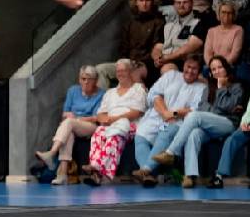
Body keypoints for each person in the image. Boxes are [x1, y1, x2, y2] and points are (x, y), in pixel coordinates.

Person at [144, 56, 239, 188]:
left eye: (220, 67)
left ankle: (171, 153)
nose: (217, 71)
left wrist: (221, 88)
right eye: (213, 69)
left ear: (226, 69)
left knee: (193, 116)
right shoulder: (207, 89)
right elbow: (204, 107)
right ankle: (190, 176)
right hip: (208, 126)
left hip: (228, 124)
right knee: (193, 133)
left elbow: (228, 106)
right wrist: (214, 111)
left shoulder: (236, 87)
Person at [130, 55, 211, 187]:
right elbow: (154, 94)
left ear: (199, 71)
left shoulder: (201, 88)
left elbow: (193, 110)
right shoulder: (171, 76)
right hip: (157, 115)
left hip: (179, 122)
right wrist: (164, 112)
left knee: (167, 133)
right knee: (141, 136)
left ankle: (146, 170)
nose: (190, 71)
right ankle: (149, 176)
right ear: (183, 66)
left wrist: (173, 114)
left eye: (194, 69)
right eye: (188, 67)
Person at [33, 66, 105, 186]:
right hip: (72, 125)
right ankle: (62, 175)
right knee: (69, 133)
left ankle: (51, 153)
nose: (86, 82)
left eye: (90, 79)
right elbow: (65, 113)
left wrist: (75, 118)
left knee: (69, 123)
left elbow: (96, 117)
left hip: (91, 126)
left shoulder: (102, 94)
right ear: (79, 79)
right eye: (83, 79)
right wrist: (69, 117)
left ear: (96, 80)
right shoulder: (73, 91)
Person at [83, 59, 147, 186]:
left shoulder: (138, 89)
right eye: (118, 71)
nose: (120, 73)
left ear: (130, 72)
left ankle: (96, 166)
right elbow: (101, 114)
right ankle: (97, 174)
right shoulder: (110, 93)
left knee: (117, 132)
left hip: (130, 125)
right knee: (99, 132)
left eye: (123, 70)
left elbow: (137, 112)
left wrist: (114, 119)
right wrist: (105, 120)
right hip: (110, 124)